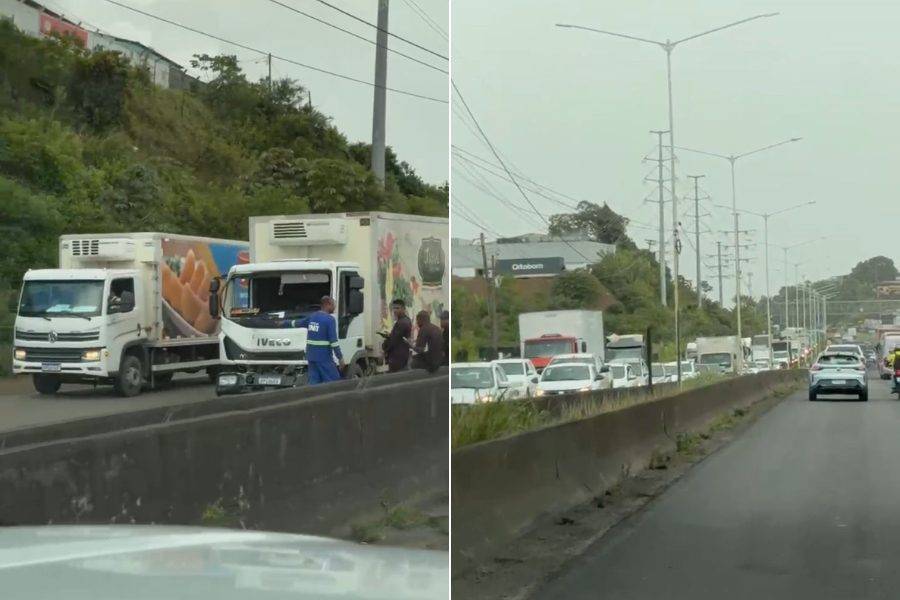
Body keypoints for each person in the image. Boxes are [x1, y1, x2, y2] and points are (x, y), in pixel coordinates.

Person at [290, 296, 345, 385]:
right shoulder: (330, 319)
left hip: (311, 357)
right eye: (333, 305)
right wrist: (340, 358)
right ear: (328, 304)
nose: (334, 307)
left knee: (314, 384)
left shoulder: (312, 316)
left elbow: (297, 323)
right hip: (324, 358)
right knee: (333, 383)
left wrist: (282, 323)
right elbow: (334, 342)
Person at [381, 298, 412, 372]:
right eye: (394, 308)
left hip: (397, 356)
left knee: (395, 376)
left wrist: (385, 349)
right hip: (402, 354)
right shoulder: (406, 320)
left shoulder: (401, 323)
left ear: (403, 309)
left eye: (397, 308)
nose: (395, 310)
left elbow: (393, 340)